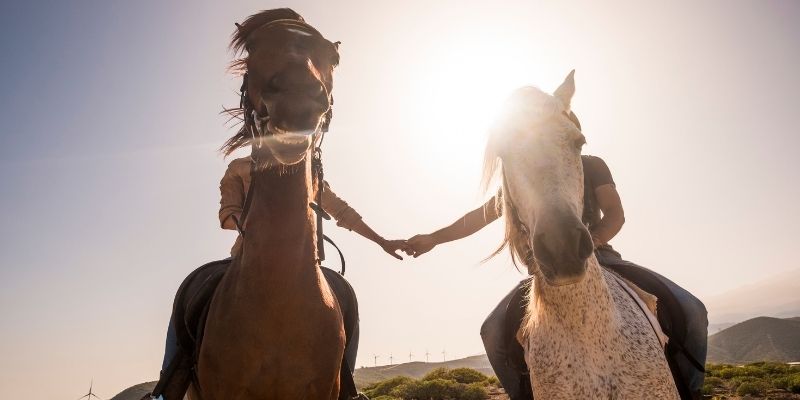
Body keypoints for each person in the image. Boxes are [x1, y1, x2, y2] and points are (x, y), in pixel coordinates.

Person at [404, 113, 708, 400]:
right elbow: (476, 218)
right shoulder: (527, 174)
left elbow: (615, 213)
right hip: (545, 270)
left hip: (601, 257)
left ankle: (690, 391)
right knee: (493, 332)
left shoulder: (592, 165)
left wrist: (593, 241)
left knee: (692, 310)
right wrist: (433, 238)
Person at [153, 156, 408, 400]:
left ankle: (347, 388)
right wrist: (262, 226)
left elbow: (342, 211)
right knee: (192, 287)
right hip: (247, 256)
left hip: (306, 262)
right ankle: (166, 389)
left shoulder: (309, 172)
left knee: (345, 294)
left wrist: (382, 241)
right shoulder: (239, 168)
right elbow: (227, 213)